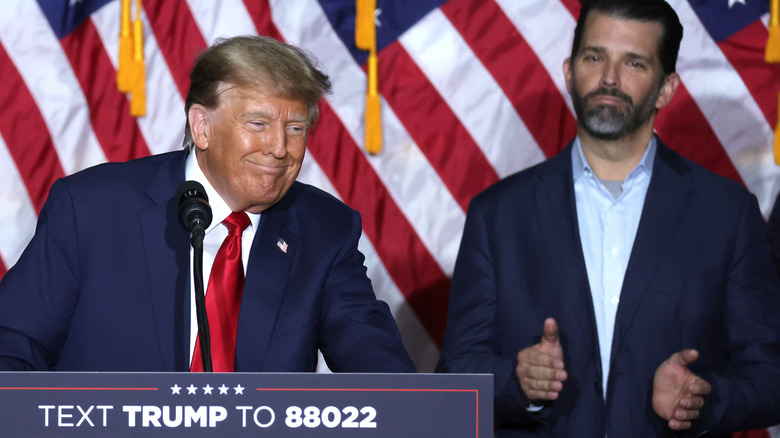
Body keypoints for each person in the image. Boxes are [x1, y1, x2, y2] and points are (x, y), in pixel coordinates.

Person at [437, 0, 780, 435]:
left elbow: (769, 373)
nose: (610, 78)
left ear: (666, 88)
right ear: (569, 70)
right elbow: (455, 374)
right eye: (595, 57)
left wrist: (703, 398)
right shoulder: (498, 214)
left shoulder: (727, 214)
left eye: (634, 62)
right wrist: (517, 383)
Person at [0, 36, 415, 374]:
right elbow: (14, 347)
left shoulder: (324, 229)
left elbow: (374, 362)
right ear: (202, 126)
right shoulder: (92, 209)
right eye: (258, 124)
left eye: (295, 128)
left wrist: (419, 412)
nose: (279, 148)